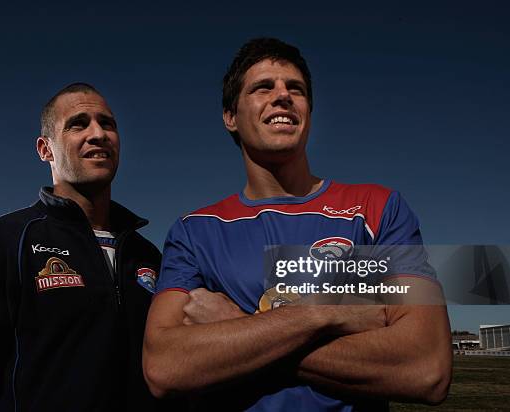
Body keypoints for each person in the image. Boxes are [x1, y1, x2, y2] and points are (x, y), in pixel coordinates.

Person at [143, 39, 452, 411]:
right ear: (230, 116)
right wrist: (324, 312)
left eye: (296, 89)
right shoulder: (194, 231)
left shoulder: (378, 209)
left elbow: (426, 368)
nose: (283, 96)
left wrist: (242, 327)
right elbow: (164, 367)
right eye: (263, 87)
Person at [0, 83, 168, 411]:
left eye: (107, 123)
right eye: (78, 124)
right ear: (45, 149)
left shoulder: (147, 254)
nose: (98, 133)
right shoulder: (5, 241)